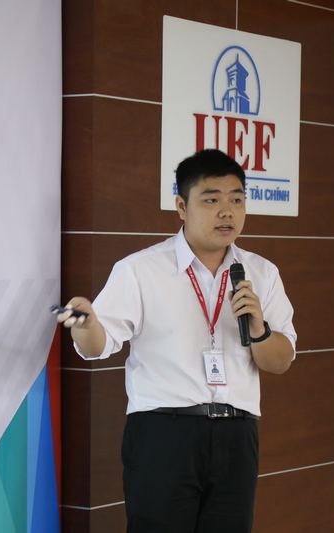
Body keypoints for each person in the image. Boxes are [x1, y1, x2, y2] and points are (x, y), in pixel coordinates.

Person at [58, 149, 296, 533]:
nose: (227, 212)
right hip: (163, 434)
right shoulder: (140, 269)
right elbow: (96, 346)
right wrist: (85, 324)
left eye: (237, 200)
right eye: (212, 200)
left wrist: (258, 327)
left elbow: (280, 361)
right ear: (182, 206)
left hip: (237, 434)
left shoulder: (261, 273)